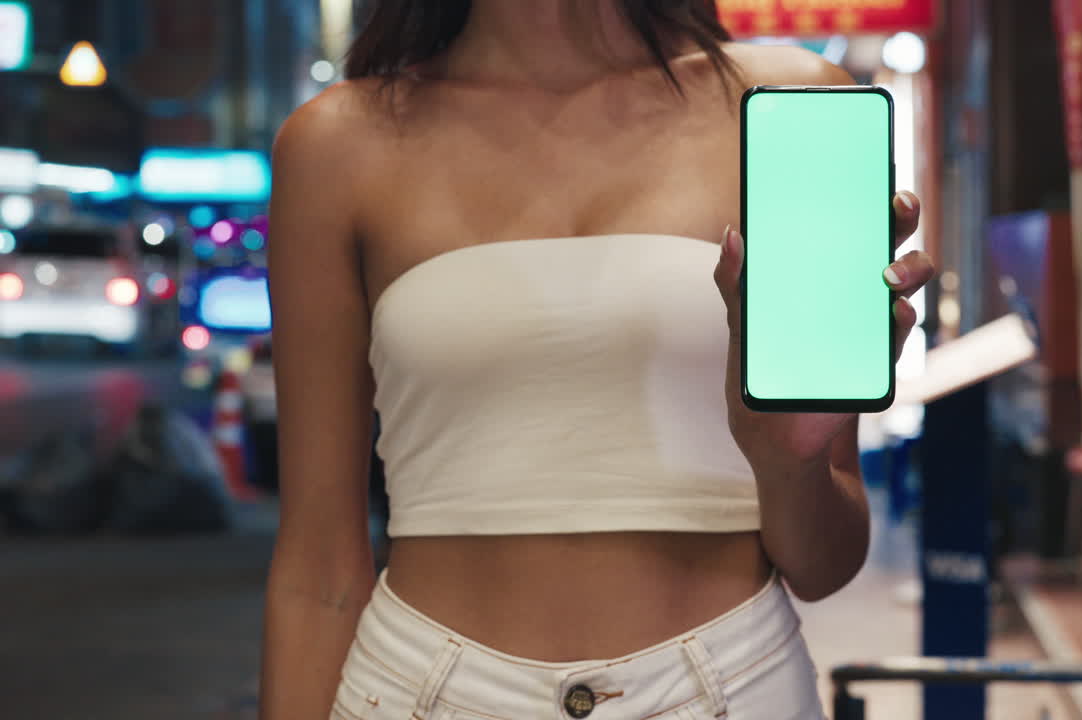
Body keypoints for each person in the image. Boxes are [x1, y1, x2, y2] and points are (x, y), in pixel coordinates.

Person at [260, 1, 935, 718]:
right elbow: (318, 568)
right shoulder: (338, 143)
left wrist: (787, 461)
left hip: (732, 685)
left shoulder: (789, 105)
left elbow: (823, 565)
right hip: (418, 690)